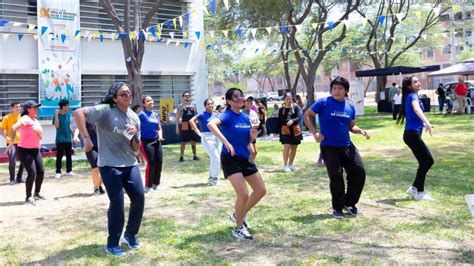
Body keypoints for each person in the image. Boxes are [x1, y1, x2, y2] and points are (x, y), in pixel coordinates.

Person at [74, 82, 144, 257]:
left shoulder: (134, 117)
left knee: (139, 198)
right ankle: (113, 243)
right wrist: (86, 138)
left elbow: (136, 148)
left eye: (129, 93)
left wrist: (134, 135)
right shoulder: (106, 109)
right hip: (109, 164)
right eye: (123, 94)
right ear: (114, 98)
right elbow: (78, 113)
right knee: (117, 204)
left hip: (129, 164)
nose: (128, 96)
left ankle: (130, 234)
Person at [304, 76, 370, 219]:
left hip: (346, 145)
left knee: (359, 171)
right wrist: (314, 132)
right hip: (329, 146)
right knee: (336, 176)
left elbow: (352, 126)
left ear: (346, 91)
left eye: (340, 88)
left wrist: (361, 131)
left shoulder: (350, 107)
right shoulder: (323, 102)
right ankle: (337, 207)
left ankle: (350, 203)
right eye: (334, 88)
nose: (337, 91)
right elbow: (307, 116)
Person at [207, 88, 266, 240]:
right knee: (243, 194)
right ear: (229, 101)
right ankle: (238, 228)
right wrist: (225, 142)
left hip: (244, 158)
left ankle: (238, 214)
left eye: (241, 95)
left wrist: (252, 137)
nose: (240, 98)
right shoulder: (227, 115)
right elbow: (211, 125)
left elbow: (245, 141)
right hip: (230, 159)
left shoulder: (246, 118)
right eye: (236, 97)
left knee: (261, 190)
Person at [396, 76, 435, 201]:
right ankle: (419, 192)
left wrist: (424, 124)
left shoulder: (412, 96)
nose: (418, 83)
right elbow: (416, 109)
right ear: (409, 86)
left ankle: (415, 189)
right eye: (415, 82)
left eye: (418, 81)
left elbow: (413, 116)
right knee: (428, 161)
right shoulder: (412, 96)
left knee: (426, 161)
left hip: (412, 134)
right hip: (411, 134)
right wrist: (427, 122)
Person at [7, 100, 45, 205]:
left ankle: (36, 193)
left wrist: (39, 132)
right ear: (28, 109)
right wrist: (11, 143)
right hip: (24, 150)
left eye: (37, 107)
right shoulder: (25, 118)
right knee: (32, 172)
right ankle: (28, 197)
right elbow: (14, 127)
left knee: (41, 171)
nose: (36, 109)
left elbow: (40, 136)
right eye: (34, 107)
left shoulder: (35, 120)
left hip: (35, 149)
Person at [189, 98, 221, 186]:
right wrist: (197, 131)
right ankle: (214, 178)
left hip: (217, 136)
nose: (210, 105)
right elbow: (191, 120)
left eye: (212, 104)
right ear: (205, 105)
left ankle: (211, 177)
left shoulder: (216, 114)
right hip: (207, 137)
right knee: (216, 158)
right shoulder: (202, 114)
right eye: (208, 104)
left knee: (215, 158)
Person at [138, 96, 164, 193]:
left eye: (151, 100)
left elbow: (159, 127)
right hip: (145, 141)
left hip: (156, 141)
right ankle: (148, 186)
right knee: (151, 163)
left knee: (159, 162)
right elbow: (134, 125)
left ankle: (155, 184)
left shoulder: (156, 115)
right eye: (148, 101)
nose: (151, 102)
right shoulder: (141, 115)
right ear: (144, 104)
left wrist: (160, 136)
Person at [53, 99, 78, 179]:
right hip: (60, 139)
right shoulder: (57, 115)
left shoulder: (67, 114)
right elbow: (56, 125)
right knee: (59, 156)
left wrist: (74, 135)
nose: (68, 106)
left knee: (69, 155)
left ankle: (69, 170)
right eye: (67, 105)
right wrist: (56, 115)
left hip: (68, 138)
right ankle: (58, 172)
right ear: (63, 106)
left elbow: (69, 125)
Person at [0, 102, 24, 185]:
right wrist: (6, 137)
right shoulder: (6, 118)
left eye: (19, 106)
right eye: (16, 107)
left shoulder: (23, 117)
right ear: (12, 108)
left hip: (22, 142)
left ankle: (19, 177)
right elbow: (1, 131)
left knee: (24, 161)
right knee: (12, 160)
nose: (18, 108)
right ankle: (12, 179)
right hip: (11, 143)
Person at [278, 93, 303, 172]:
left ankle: (291, 164)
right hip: (285, 131)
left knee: (294, 148)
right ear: (284, 100)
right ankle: (285, 165)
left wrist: (293, 120)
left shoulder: (296, 107)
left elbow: (299, 117)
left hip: (295, 130)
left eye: (290, 99)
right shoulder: (281, 109)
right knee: (287, 147)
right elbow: (280, 120)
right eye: (287, 99)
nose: (289, 100)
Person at [176, 91, 200, 162]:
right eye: (186, 96)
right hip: (185, 124)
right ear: (183, 97)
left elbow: (196, 116)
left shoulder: (193, 105)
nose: (187, 97)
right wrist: (177, 127)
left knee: (193, 141)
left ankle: (195, 156)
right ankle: (181, 157)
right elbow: (177, 117)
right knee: (183, 141)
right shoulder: (180, 106)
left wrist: (196, 125)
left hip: (192, 124)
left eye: (189, 96)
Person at [85, 121, 105, 196]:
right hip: (90, 147)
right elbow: (79, 128)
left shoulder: (100, 118)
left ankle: (99, 186)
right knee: (95, 168)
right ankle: (96, 188)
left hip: (102, 146)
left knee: (103, 167)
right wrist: (75, 136)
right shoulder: (85, 120)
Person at [242, 97, 260, 161]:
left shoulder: (253, 112)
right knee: (251, 152)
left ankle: (251, 164)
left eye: (251, 101)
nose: (250, 102)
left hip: (253, 134)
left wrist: (253, 125)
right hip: (245, 135)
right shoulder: (241, 112)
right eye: (248, 101)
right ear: (244, 102)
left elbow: (258, 123)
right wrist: (251, 125)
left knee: (255, 152)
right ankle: (249, 166)